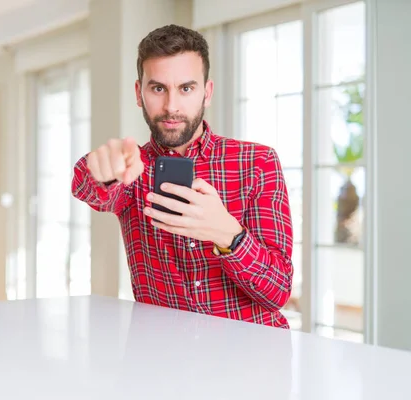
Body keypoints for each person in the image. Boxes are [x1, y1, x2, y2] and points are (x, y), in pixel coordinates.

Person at [71, 24, 294, 328]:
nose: (171, 106)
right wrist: (102, 170)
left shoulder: (257, 162)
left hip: (251, 360)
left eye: (186, 88)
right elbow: (88, 188)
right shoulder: (131, 170)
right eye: (158, 88)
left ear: (207, 92)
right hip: (163, 359)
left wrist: (228, 233)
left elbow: (277, 292)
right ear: (140, 93)